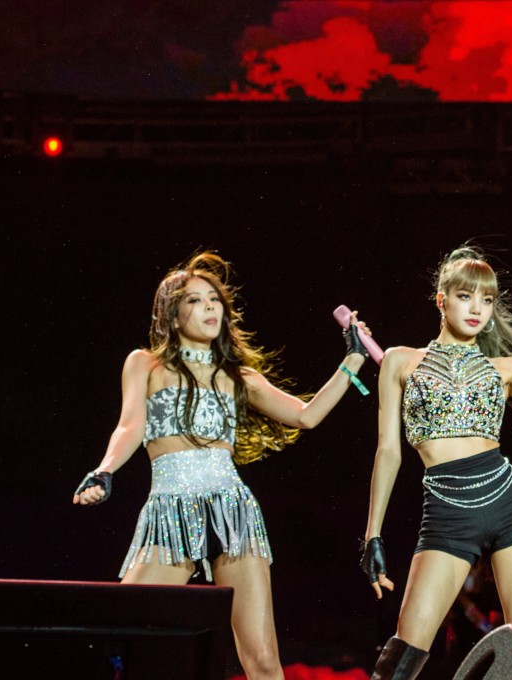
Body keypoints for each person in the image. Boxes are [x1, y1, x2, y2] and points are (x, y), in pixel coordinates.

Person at [72, 251, 372, 680]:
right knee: (128, 628)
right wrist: (105, 470)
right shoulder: (145, 364)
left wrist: (354, 359)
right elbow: (130, 425)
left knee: (264, 662)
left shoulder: (238, 375)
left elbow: (306, 415)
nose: (210, 307)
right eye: (195, 301)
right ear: (173, 317)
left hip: (232, 512)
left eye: (214, 299)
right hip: (170, 512)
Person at [361, 246, 512, 679]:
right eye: (466, 297)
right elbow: (388, 451)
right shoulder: (399, 361)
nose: (477, 309)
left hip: (510, 505)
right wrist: (372, 533)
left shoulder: (508, 369)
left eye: (487, 300)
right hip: (447, 512)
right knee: (402, 659)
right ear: (441, 299)